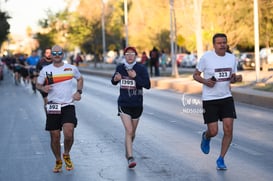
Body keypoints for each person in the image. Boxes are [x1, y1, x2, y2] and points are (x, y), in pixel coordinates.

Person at [193, 33, 242, 170]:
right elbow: (195, 75)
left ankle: (221, 159)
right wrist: (205, 81)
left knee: (228, 129)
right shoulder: (206, 58)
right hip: (210, 99)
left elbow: (232, 77)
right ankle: (206, 136)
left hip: (226, 97)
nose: (222, 45)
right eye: (219, 43)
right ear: (214, 45)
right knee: (213, 131)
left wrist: (236, 78)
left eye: (224, 42)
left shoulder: (231, 58)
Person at [36, 45, 84, 173]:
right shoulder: (46, 70)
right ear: (50, 55)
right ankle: (58, 160)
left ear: (63, 54)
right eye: (54, 53)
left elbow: (80, 79)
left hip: (68, 105)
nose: (57, 55)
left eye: (59, 53)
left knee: (69, 133)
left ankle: (66, 154)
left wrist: (79, 92)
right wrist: (42, 88)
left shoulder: (71, 68)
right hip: (53, 105)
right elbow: (38, 84)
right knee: (55, 136)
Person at [111, 46, 150, 168]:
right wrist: (115, 79)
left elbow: (147, 85)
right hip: (124, 104)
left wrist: (135, 77)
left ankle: (127, 151)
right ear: (124, 56)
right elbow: (113, 81)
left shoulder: (141, 68)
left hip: (137, 105)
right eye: (127, 54)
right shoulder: (120, 68)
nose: (130, 56)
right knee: (129, 130)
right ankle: (130, 157)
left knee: (132, 133)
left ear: (135, 56)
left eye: (132, 54)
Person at [36, 47, 53, 113]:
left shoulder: (55, 61)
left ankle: (54, 116)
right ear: (44, 54)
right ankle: (48, 115)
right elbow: (36, 72)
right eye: (47, 53)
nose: (49, 54)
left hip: (54, 84)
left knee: (54, 101)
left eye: (50, 53)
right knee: (47, 100)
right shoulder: (40, 62)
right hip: (44, 85)